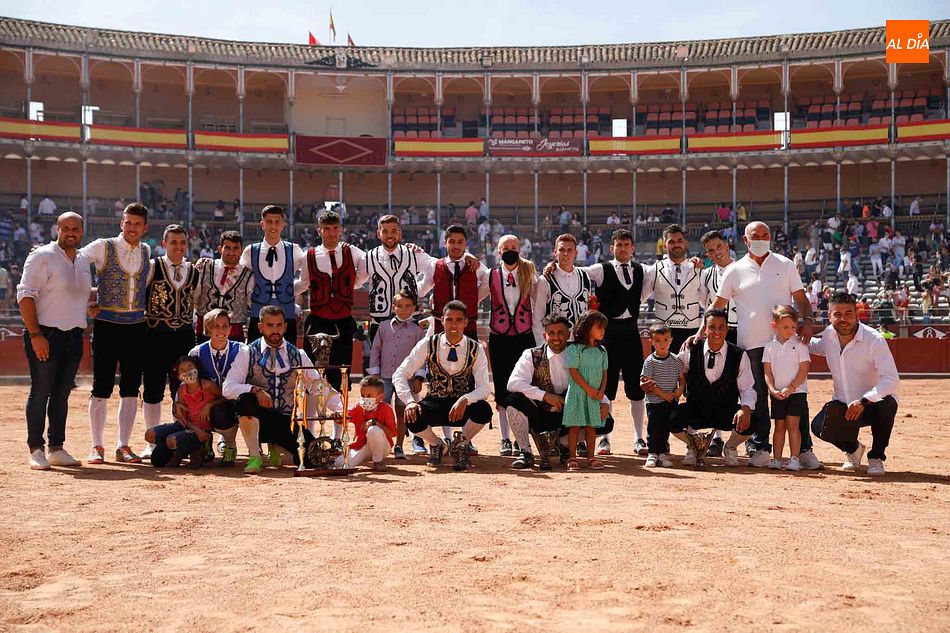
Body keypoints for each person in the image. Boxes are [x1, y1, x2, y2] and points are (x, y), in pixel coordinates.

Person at [707, 221, 821, 469]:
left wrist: (809, 321)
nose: (760, 238)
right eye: (755, 236)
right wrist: (700, 332)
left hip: (785, 343)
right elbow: (717, 305)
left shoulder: (785, 264)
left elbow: (801, 300)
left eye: (765, 235)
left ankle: (804, 450)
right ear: (745, 241)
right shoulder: (734, 270)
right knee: (757, 397)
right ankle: (760, 447)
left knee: (795, 397)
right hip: (751, 345)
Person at [18, 212, 91, 470]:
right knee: (41, 391)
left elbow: (76, 295)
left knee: (61, 394)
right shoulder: (42, 256)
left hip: (73, 335)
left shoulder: (82, 260)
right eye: (66, 228)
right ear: (57, 229)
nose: (71, 232)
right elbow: (25, 295)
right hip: (45, 334)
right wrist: (36, 335)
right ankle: (36, 448)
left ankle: (56, 448)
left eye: (76, 229)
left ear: (82, 231)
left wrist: (89, 310)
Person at [223, 305, 334, 474]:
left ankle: (278, 450)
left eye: (278, 325)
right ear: (260, 327)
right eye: (269, 325)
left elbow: (318, 386)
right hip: (261, 421)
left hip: (286, 422)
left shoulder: (298, 354)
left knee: (313, 458)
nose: (275, 330)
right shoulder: (247, 352)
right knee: (245, 401)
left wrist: (342, 409)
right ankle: (255, 455)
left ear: (285, 327)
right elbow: (228, 387)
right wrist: (255, 390)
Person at [81, 203, 151, 464]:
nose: (131, 227)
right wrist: (85, 302)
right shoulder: (103, 246)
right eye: (127, 222)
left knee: (131, 388)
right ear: (121, 223)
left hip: (136, 326)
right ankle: (96, 445)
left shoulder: (146, 251)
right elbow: (75, 263)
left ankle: (123, 445)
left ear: (145, 227)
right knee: (101, 387)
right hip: (108, 325)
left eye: (136, 223)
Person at [573, 229, 652, 456]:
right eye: (618, 245)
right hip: (606, 335)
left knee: (636, 389)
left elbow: (664, 270)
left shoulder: (641, 270)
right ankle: (603, 438)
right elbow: (575, 272)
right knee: (604, 386)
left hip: (631, 333)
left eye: (626, 244)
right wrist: (553, 267)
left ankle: (639, 438)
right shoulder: (600, 269)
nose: (623, 248)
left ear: (633, 248)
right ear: (612, 248)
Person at [394, 301, 493, 472]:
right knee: (411, 416)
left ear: (465, 322)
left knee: (484, 410)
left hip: (462, 405)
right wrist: (410, 401)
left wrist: (466, 398)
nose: (453, 325)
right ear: (441, 320)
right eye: (449, 320)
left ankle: (461, 444)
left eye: (458, 320)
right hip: (435, 402)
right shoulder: (428, 344)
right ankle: (436, 444)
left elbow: (484, 388)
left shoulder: (475, 348)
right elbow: (400, 373)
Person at [809, 293, 899, 476]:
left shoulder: (874, 339)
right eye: (838, 314)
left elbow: (891, 380)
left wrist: (865, 401)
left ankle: (876, 457)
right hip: (844, 404)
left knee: (887, 404)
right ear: (830, 316)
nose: (843, 319)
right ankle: (853, 449)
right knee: (818, 426)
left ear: (856, 314)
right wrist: (791, 335)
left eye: (848, 313)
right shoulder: (829, 334)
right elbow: (817, 347)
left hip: (871, 404)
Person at [654, 309, 756, 466]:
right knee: (671, 416)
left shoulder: (739, 354)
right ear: (705, 329)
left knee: (754, 419)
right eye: (712, 327)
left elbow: (747, 388)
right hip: (696, 409)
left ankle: (730, 447)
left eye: (721, 327)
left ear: (727, 329)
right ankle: (693, 445)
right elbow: (676, 372)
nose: (716, 331)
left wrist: (746, 408)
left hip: (725, 410)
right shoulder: (690, 349)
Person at [141, 224, 199, 459]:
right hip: (155, 334)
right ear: (164, 244)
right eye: (173, 242)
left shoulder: (194, 270)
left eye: (182, 242)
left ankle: (181, 438)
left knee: (183, 388)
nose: (178, 246)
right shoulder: (153, 267)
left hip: (184, 337)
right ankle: (151, 440)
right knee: (153, 388)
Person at [298, 210, 369, 390]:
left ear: (341, 230)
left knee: (340, 372)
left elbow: (362, 277)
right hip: (317, 320)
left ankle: (340, 417)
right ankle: (311, 415)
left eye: (334, 228)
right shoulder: (309, 255)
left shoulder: (353, 252)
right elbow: (305, 283)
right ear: (319, 230)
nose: (331, 232)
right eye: (326, 228)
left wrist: (348, 287)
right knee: (311, 373)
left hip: (342, 320)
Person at [487, 235, 538, 456]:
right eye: (506, 248)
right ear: (498, 251)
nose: (510, 250)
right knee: (501, 387)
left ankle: (521, 438)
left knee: (524, 386)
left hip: (524, 336)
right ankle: (505, 438)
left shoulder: (530, 274)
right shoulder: (490, 275)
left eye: (514, 247)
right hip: (499, 337)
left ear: (521, 249)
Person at [368, 290, 426, 459]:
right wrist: (374, 375)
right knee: (380, 411)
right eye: (399, 306)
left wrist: (419, 376)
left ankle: (399, 446)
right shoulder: (384, 327)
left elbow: (421, 356)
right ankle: (382, 444)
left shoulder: (417, 331)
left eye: (408, 306)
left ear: (414, 308)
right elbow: (375, 351)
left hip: (405, 379)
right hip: (384, 377)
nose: (403, 309)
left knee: (401, 412)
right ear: (393, 307)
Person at [241, 205, 306, 344]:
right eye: (269, 221)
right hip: (258, 314)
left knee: (288, 359)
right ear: (262, 224)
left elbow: (307, 278)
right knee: (256, 358)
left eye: (277, 222)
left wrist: (291, 291)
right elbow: (241, 280)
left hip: (287, 314)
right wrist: (251, 300)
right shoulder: (250, 251)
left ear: (283, 224)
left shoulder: (294, 250)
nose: (273, 226)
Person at [188, 309, 243, 467]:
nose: (221, 331)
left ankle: (230, 445)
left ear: (230, 329)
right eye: (216, 326)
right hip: (202, 405)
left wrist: (212, 404)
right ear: (208, 329)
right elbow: (188, 387)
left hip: (231, 404)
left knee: (222, 412)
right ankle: (206, 441)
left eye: (225, 326)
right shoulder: (196, 353)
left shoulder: (240, 350)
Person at [145, 356, 221, 468]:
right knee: (150, 435)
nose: (187, 372)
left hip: (203, 429)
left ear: (197, 368)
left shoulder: (207, 385)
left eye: (190, 367)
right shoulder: (182, 390)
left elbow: (225, 398)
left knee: (172, 440)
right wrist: (195, 430)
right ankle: (178, 449)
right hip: (188, 427)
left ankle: (195, 449)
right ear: (178, 376)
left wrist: (210, 405)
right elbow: (183, 419)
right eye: (182, 370)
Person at [762, 305, 810, 471]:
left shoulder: (800, 344)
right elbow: (767, 372)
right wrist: (772, 390)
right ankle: (776, 459)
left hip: (797, 392)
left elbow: (804, 369)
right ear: (774, 325)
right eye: (786, 327)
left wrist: (791, 387)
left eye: (793, 327)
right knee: (779, 425)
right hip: (778, 394)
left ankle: (794, 459)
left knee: (793, 425)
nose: (790, 331)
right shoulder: (769, 347)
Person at [562, 311, 609, 472]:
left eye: (604, 328)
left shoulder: (602, 351)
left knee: (591, 426)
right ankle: (572, 457)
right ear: (588, 328)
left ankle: (591, 456)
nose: (603, 331)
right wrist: (589, 389)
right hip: (577, 394)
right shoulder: (574, 348)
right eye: (599, 327)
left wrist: (601, 391)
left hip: (594, 395)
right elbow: (573, 371)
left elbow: (604, 373)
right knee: (574, 426)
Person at [425, 225, 488, 338]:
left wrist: (474, 298)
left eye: (460, 242)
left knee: (469, 355)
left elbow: (489, 282)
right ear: (445, 243)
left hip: (468, 325)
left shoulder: (475, 265)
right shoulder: (435, 265)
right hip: (441, 326)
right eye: (452, 242)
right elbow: (423, 287)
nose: (456, 246)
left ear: (465, 243)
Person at [639, 322, 685, 469]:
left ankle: (663, 454)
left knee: (665, 427)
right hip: (654, 401)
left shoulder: (676, 360)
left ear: (671, 340)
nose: (662, 344)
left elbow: (681, 378)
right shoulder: (650, 361)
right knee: (654, 427)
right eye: (658, 341)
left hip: (670, 401)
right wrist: (663, 394)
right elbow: (647, 381)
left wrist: (680, 390)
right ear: (652, 342)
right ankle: (652, 453)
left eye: (666, 340)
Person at [532, 234, 595, 342]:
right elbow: (537, 319)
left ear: (576, 253)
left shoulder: (585, 277)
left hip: (582, 344)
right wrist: (542, 348)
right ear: (555, 252)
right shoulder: (545, 280)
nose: (565, 253)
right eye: (562, 250)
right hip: (557, 345)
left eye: (570, 250)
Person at [652, 224, 704, 354]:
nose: (676, 244)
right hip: (664, 332)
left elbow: (707, 302)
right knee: (663, 373)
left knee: (691, 373)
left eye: (680, 240)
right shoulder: (653, 270)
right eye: (671, 242)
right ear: (664, 245)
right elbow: (640, 297)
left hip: (691, 330)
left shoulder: (698, 268)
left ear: (685, 243)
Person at [194, 230, 253, 343]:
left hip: (233, 336)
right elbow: (194, 296)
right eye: (228, 248)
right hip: (205, 333)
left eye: (235, 248)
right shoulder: (204, 266)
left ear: (241, 250)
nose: (232, 252)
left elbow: (252, 303)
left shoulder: (249, 275)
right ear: (220, 249)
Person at [334, 375, 397, 471]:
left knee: (373, 430)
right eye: (363, 396)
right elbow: (346, 416)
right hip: (362, 445)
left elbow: (392, 433)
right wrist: (338, 416)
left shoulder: (386, 409)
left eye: (369, 396)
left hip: (382, 446)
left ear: (381, 397)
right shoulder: (358, 407)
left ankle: (378, 461)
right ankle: (366, 457)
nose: (364, 399)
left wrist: (376, 423)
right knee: (340, 464)